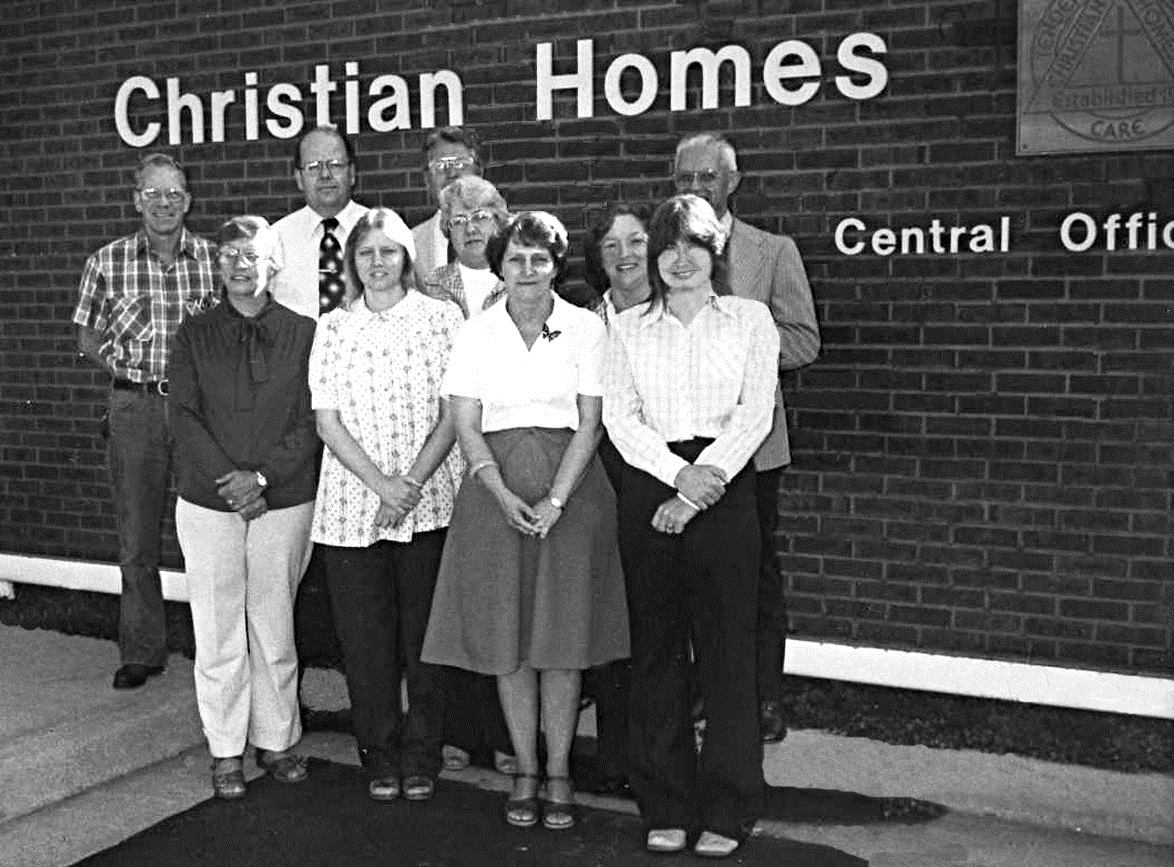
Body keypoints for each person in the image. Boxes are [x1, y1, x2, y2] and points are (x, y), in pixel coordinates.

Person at [422, 212, 629, 832]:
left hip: (572, 492)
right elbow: (464, 423)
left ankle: (560, 770)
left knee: (562, 643)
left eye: (540, 258)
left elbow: (591, 422)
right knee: (508, 642)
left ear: (557, 264)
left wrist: (557, 500)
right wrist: (498, 490)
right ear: (500, 267)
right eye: (516, 258)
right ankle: (526, 771)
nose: (528, 270)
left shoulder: (586, 327)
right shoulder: (476, 333)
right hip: (494, 495)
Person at [603, 194, 779, 858]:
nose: (680, 260)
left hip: (725, 488)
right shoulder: (627, 328)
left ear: (715, 251)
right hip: (651, 483)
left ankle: (730, 807)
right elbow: (620, 419)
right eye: (668, 247)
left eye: (694, 245)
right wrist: (677, 478)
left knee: (728, 653)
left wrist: (702, 484)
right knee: (657, 652)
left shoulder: (750, 320)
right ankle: (666, 803)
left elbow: (755, 413)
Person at [309, 207, 466, 803]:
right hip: (353, 510)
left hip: (428, 502)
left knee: (425, 641)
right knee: (366, 644)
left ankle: (423, 755)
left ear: (407, 257)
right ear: (353, 261)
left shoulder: (441, 318)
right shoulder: (333, 327)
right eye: (366, 253)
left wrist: (410, 484)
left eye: (389, 251)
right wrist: (382, 486)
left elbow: (454, 412)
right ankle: (379, 755)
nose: (378, 263)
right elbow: (327, 421)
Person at [674, 132, 820, 743]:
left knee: (755, 574)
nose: (696, 188)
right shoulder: (666, 250)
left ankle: (762, 699)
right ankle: (703, 690)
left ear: (733, 182)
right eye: (685, 178)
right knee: (691, 573)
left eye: (708, 177)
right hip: (683, 447)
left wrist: (737, 349)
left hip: (755, 450)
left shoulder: (772, 250)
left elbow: (804, 341)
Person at [170, 215, 319, 799]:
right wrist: (230, 482)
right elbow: (184, 414)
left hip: (283, 498)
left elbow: (311, 418)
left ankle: (277, 739)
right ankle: (226, 748)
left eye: (251, 254)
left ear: (273, 264)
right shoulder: (194, 333)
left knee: (274, 622)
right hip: (209, 500)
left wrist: (261, 477)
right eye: (229, 254)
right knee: (218, 627)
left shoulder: (304, 333)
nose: (239, 264)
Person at [73, 152, 217, 690]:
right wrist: (125, 369)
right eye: (153, 194)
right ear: (137, 200)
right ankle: (141, 650)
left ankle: (218, 647)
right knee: (137, 537)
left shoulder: (212, 260)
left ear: (189, 201)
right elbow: (87, 335)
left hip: (198, 410)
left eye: (174, 194)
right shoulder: (106, 262)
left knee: (212, 528)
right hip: (135, 409)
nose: (164, 204)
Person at [420, 174, 517, 777]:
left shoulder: (524, 280)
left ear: (501, 219)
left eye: (483, 215)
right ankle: (456, 728)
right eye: (459, 220)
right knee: (453, 598)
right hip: (443, 463)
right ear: (445, 230)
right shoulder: (428, 287)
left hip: (505, 458)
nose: (472, 227)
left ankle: (506, 731)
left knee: (502, 597)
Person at [579, 202, 654, 797]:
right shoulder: (581, 323)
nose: (625, 256)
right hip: (600, 481)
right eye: (611, 246)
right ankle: (614, 759)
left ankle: (658, 759)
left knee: (656, 618)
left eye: (636, 242)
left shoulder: (674, 314)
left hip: (660, 479)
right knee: (609, 618)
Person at [271, 125, 370, 320]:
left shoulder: (380, 230)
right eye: (314, 167)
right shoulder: (275, 238)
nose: (325, 174)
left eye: (335, 164)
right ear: (299, 178)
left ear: (351, 173)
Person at [422, 175, 509, 317]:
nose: (470, 229)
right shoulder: (433, 285)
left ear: (498, 223)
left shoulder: (519, 278)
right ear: (448, 230)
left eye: (480, 217)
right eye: (459, 221)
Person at [411, 126, 486, 279]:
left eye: (460, 164)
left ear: (479, 172)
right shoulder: (410, 243)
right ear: (427, 179)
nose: (451, 173)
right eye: (440, 165)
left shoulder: (507, 234)